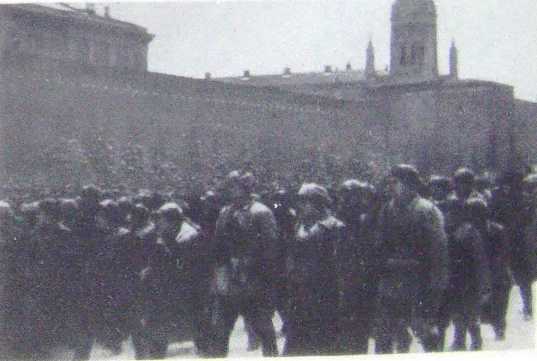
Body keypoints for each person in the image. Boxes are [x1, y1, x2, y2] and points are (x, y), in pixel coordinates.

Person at [375, 165, 449, 354]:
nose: (390, 187)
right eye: (389, 183)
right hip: (391, 284)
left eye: (395, 183)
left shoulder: (427, 210)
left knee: (425, 333)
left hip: (419, 283)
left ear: (409, 185)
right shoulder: (387, 209)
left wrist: (436, 286)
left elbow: (438, 252)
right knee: (384, 335)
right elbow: (380, 245)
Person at [211, 171, 279, 357]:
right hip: (230, 281)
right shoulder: (225, 212)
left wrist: (261, 275)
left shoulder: (261, 212)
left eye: (235, 187)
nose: (231, 191)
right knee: (219, 331)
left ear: (246, 189)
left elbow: (270, 249)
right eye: (230, 187)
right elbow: (217, 245)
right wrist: (220, 272)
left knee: (263, 328)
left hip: (254, 280)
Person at [284, 183, 343, 356]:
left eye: (305, 201)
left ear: (318, 203)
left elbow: (340, 268)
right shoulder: (299, 227)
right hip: (299, 298)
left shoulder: (334, 228)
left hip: (324, 299)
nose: (300, 206)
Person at [336, 180, 378, 354]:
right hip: (344, 272)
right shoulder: (340, 215)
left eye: (350, 195)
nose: (346, 199)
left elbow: (371, 247)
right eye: (345, 195)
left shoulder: (367, 218)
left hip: (361, 274)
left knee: (360, 321)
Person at [491, 171, 535, 320]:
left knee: (517, 278)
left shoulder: (504, 198)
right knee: (521, 279)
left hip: (511, 242)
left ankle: (524, 308)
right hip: (513, 242)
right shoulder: (522, 199)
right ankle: (526, 308)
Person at [448, 198, 491, 351]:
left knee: (469, 312)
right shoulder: (448, 230)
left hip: (469, 279)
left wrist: (484, 283)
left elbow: (480, 259)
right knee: (457, 312)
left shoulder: (470, 231)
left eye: (454, 212)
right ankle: (459, 340)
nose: (450, 215)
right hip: (454, 278)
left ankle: (475, 339)